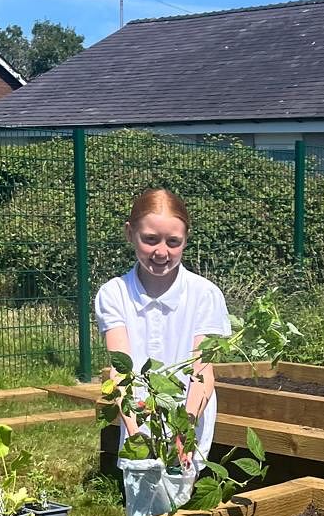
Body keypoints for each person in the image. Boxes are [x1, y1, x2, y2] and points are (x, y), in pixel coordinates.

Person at [94, 187, 230, 465]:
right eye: (150, 239)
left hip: (190, 418)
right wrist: (135, 434)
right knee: (142, 505)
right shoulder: (114, 294)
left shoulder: (204, 295)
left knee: (185, 504)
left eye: (173, 242)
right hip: (138, 421)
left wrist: (184, 432)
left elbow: (202, 372)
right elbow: (122, 372)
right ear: (130, 233)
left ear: (186, 239)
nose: (161, 252)